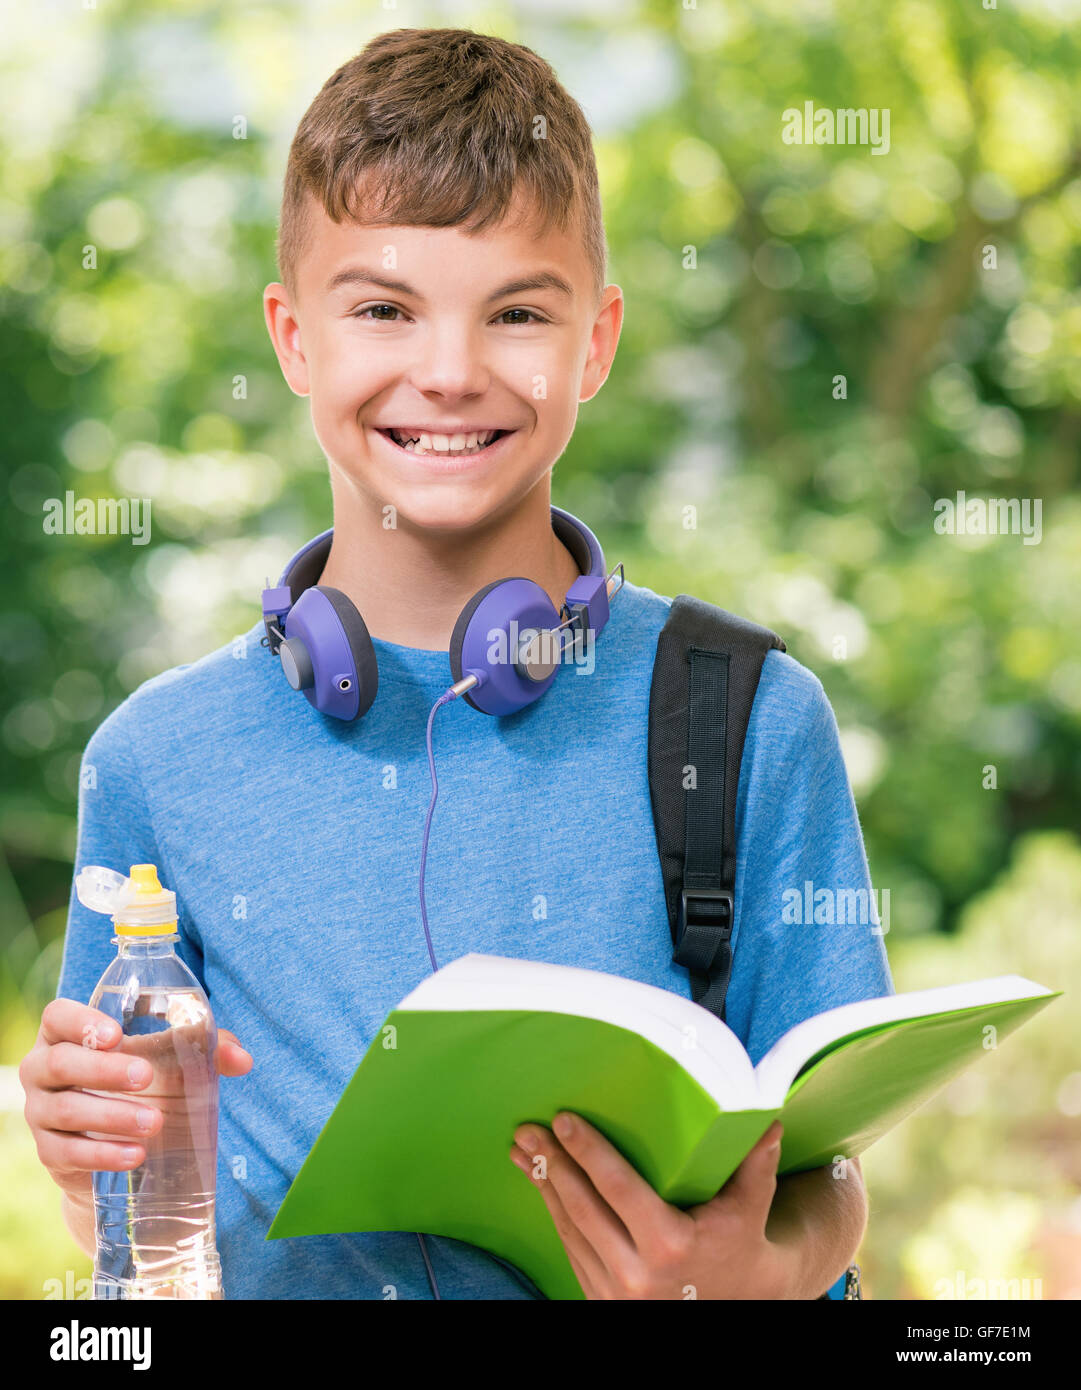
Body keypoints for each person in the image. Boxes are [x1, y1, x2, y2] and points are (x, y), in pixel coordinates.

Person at [22, 27, 892, 1299]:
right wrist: (84, 1152)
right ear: (294, 337)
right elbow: (145, 1234)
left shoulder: (745, 717)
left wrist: (760, 1273)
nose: (447, 372)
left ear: (594, 344)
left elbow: (829, 1164)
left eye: (518, 314)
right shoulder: (155, 761)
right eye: (382, 307)